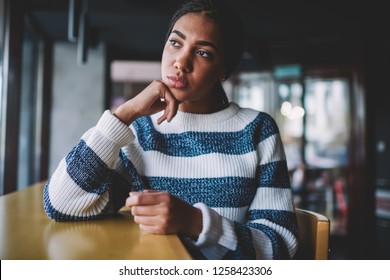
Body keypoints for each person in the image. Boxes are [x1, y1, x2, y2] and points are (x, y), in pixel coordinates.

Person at [43, 0, 298, 260]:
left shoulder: (256, 130)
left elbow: (279, 246)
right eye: (176, 43)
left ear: (224, 69)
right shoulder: (141, 133)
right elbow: (60, 205)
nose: (181, 62)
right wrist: (125, 114)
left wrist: (196, 222)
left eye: (203, 53)